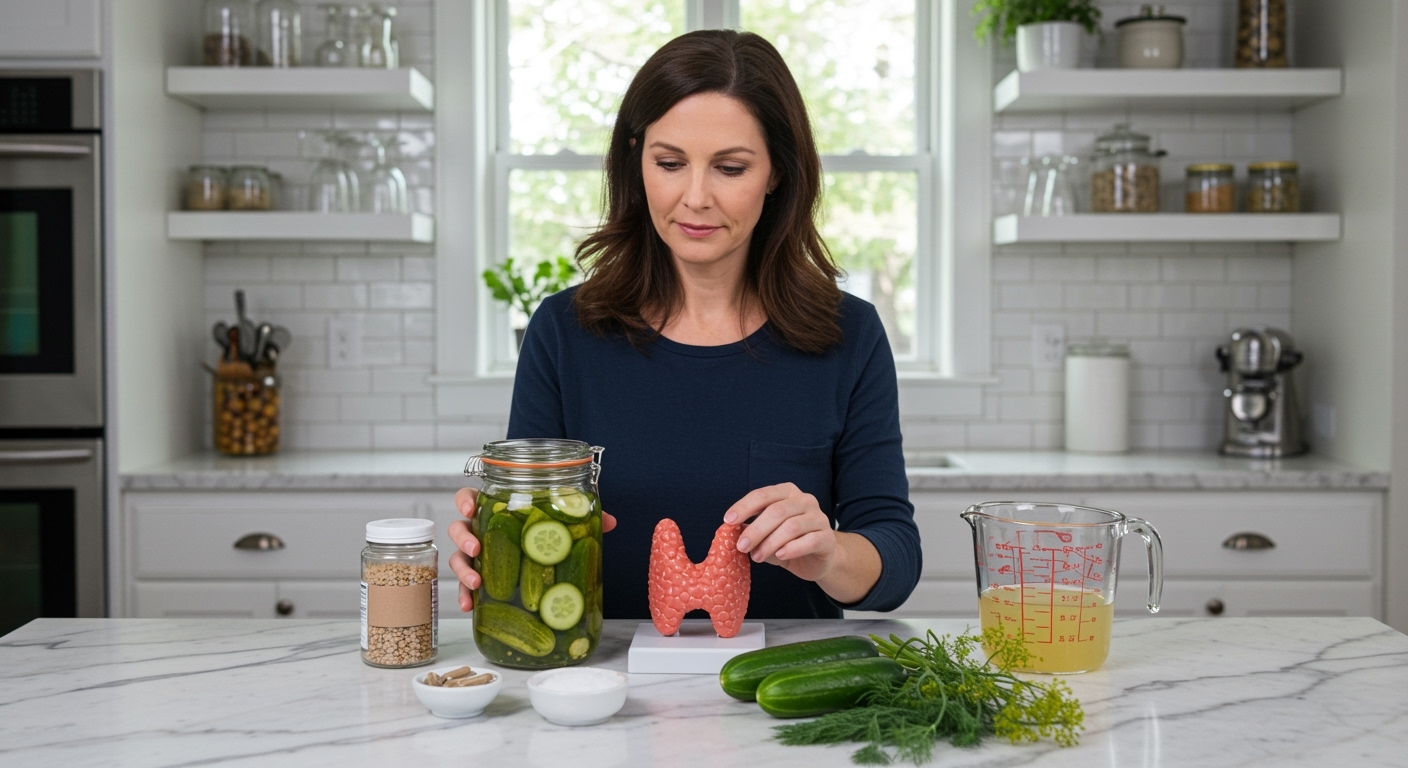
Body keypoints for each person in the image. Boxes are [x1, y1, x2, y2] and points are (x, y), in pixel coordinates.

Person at [449, 29, 920, 621]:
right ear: (636, 161)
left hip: (779, 689)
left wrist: (828, 554)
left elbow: (896, 559)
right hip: (600, 687)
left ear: (776, 173)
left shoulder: (849, 334)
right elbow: (527, 519)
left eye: (730, 167)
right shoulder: (564, 332)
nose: (695, 197)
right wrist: (496, 540)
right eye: (670, 163)